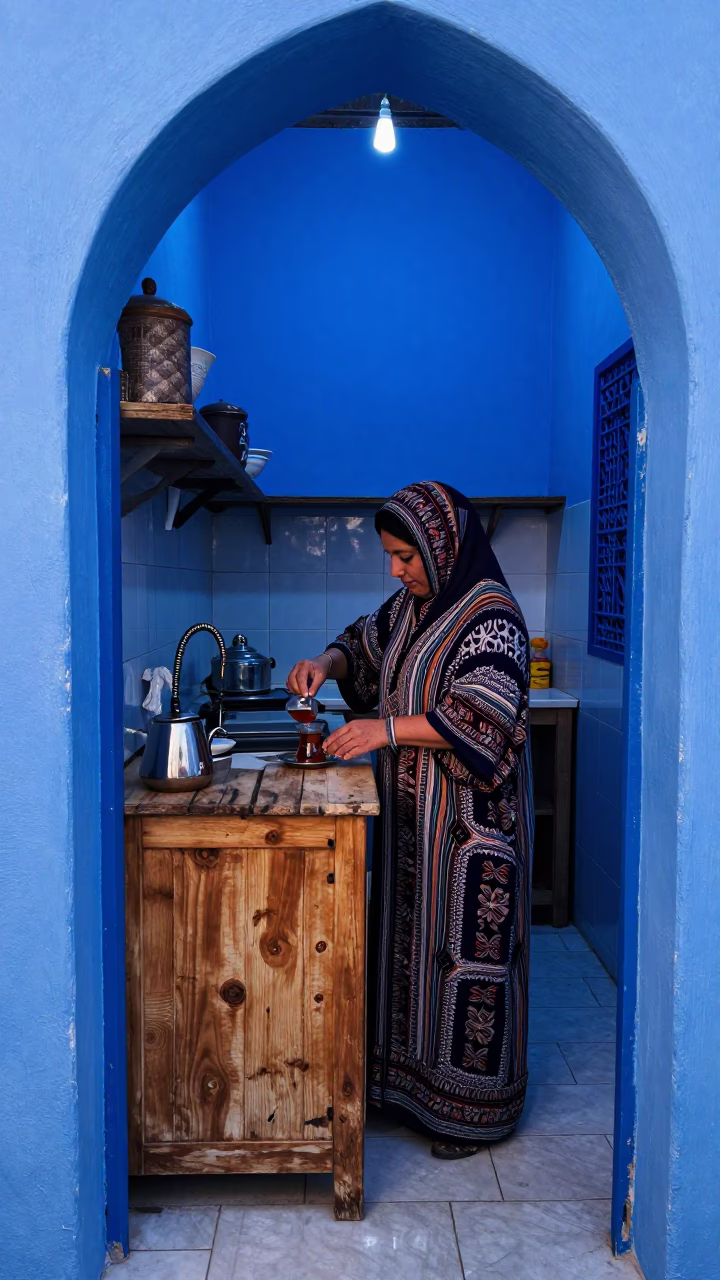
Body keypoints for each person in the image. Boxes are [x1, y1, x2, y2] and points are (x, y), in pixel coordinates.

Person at [287, 481, 532, 1158]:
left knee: (463, 966)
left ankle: (471, 1114)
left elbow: (483, 718)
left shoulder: (492, 616)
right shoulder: (410, 607)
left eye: (406, 556)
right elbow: (358, 647)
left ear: (443, 548)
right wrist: (322, 663)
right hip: (411, 831)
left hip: (468, 838)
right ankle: (408, 1093)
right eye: (393, 557)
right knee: (408, 957)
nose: (397, 570)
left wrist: (382, 730)